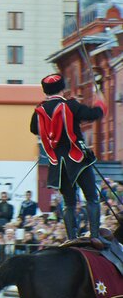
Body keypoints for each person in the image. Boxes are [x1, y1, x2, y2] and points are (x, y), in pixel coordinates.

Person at [30, 73, 105, 239]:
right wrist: (100, 100)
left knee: (69, 202)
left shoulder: (39, 110)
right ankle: (94, 236)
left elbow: (34, 129)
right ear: (62, 89)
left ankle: (72, 238)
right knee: (92, 197)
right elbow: (94, 114)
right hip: (77, 159)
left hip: (57, 164)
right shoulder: (70, 105)